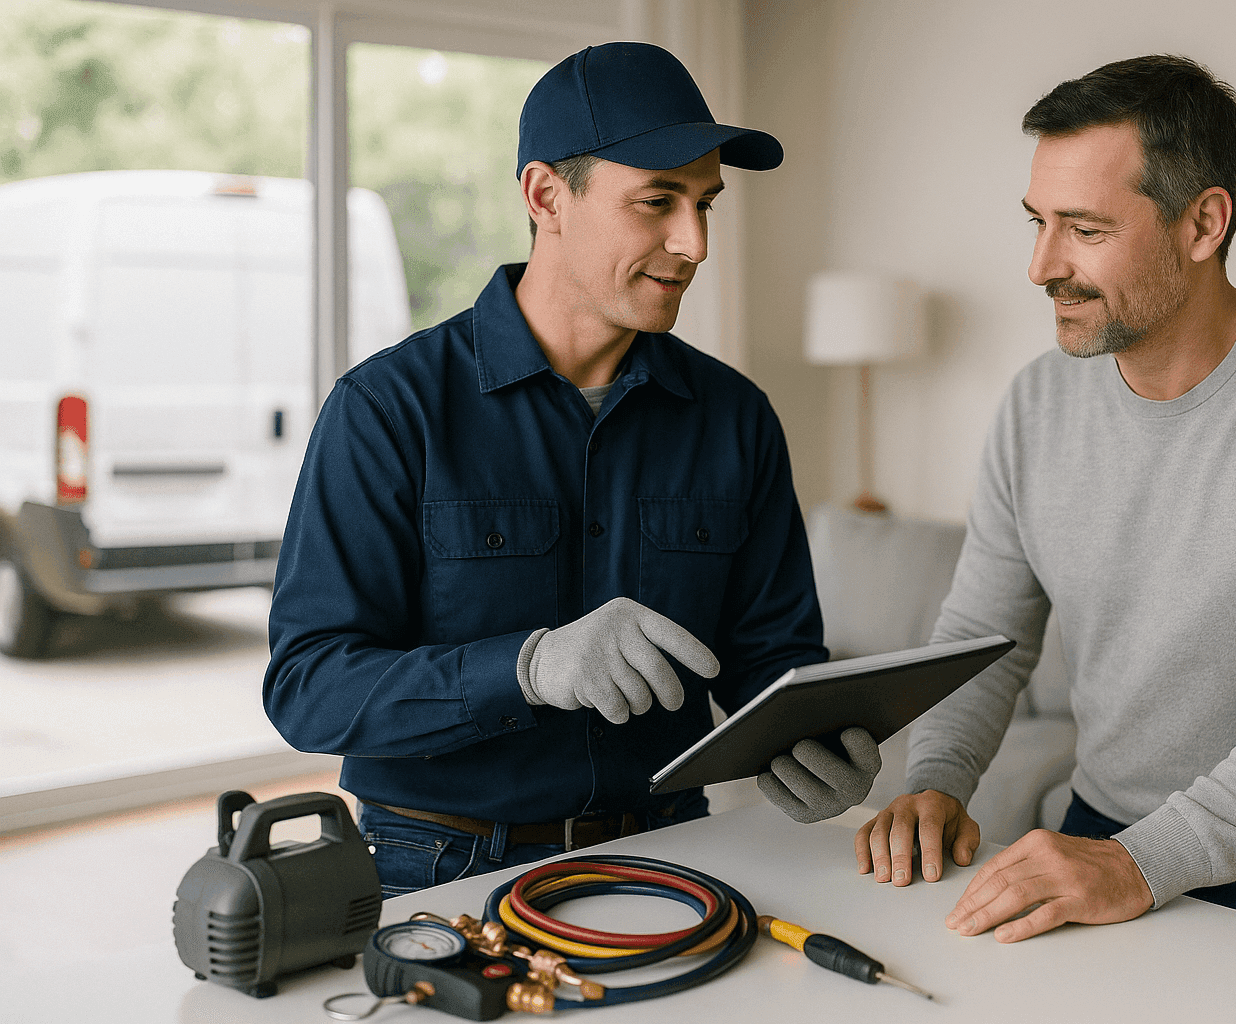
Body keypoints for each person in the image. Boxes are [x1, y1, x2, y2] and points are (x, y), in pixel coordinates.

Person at [854, 54, 1236, 958]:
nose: (1041, 266)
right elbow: (983, 631)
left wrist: (1142, 864)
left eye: (1084, 229)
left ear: (1205, 222)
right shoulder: (1034, 404)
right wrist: (938, 780)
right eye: (1037, 222)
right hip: (1110, 829)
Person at [265, 42, 880, 897]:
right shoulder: (386, 409)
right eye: (657, 201)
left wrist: (812, 747)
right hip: (438, 863)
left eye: (705, 204)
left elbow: (772, 659)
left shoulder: (736, 417)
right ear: (547, 196)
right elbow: (308, 688)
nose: (694, 242)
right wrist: (528, 666)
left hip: (677, 850)